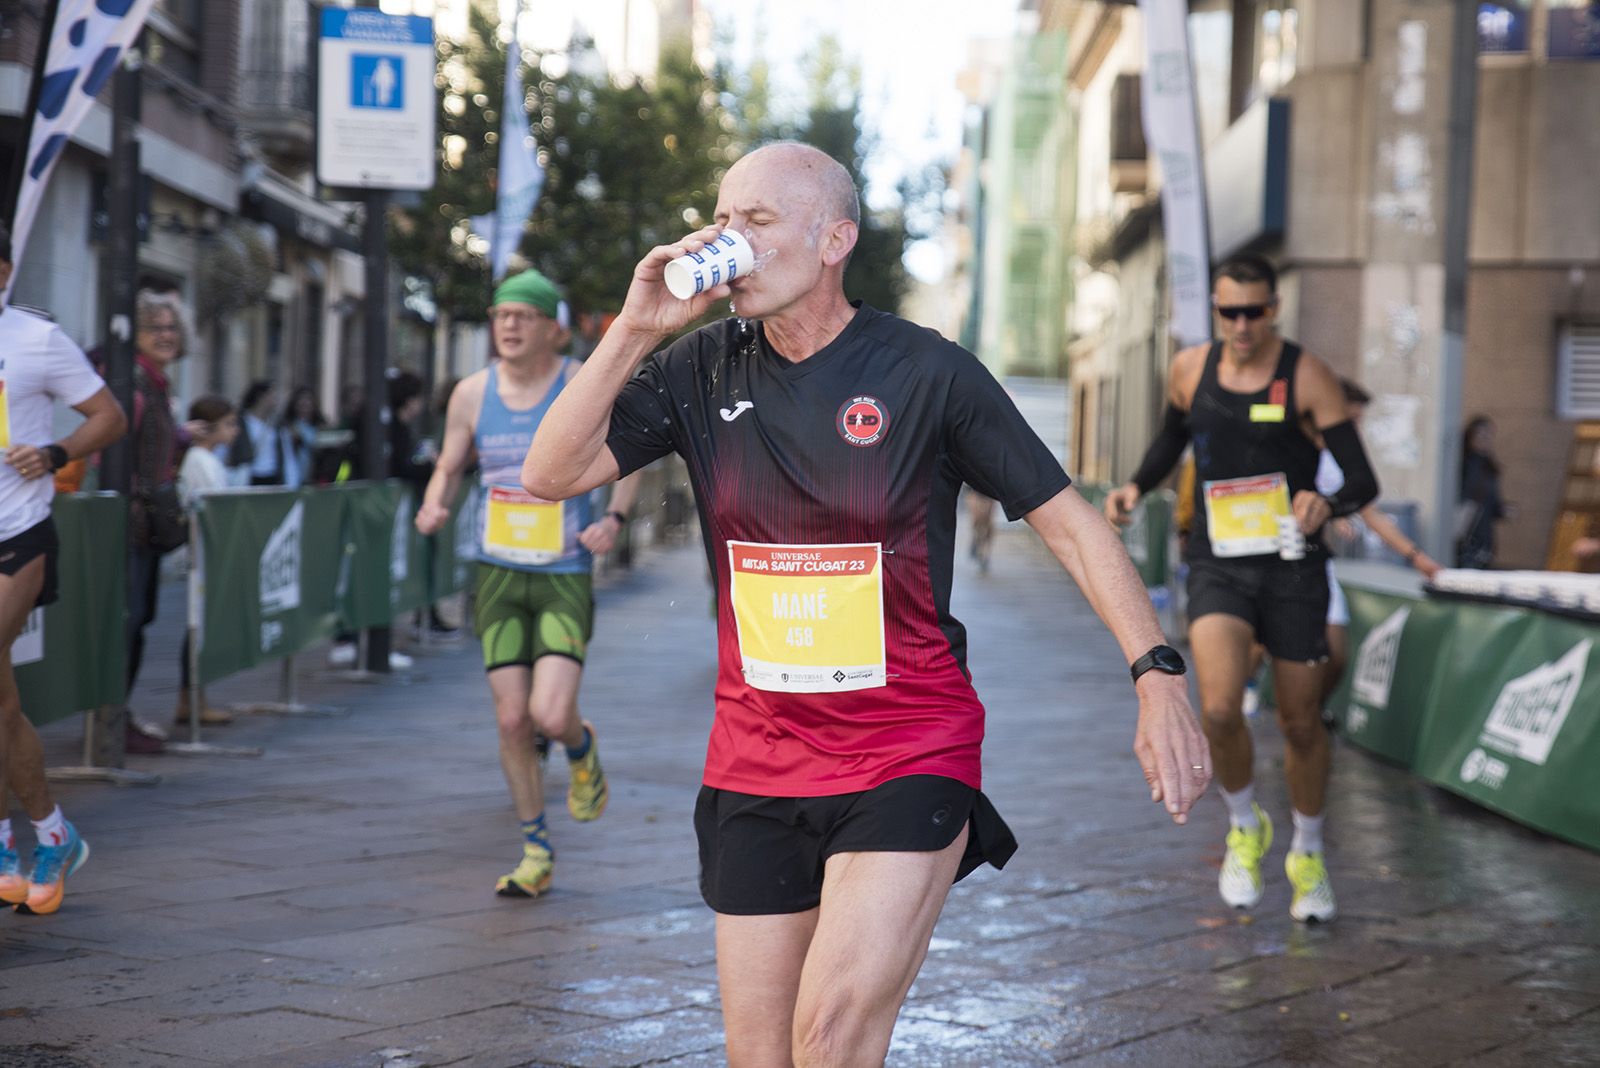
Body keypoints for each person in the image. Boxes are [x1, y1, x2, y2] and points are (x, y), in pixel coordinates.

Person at [521, 142, 1209, 1065]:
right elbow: (549, 472)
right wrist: (638, 328)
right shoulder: (699, 369)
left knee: (833, 1033)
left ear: (834, 238)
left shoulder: (927, 371)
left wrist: (1156, 672)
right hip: (756, 760)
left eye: (757, 222)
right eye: (723, 220)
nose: (729, 239)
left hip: (906, 748)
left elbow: (1074, 526)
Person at [1105, 254, 1380, 926]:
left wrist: (1327, 504)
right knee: (1221, 710)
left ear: (1273, 308)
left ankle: (1308, 854)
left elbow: (1362, 480)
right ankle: (1242, 826)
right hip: (1218, 562)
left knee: (1299, 721)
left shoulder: (1306, 374)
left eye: (1254, 311)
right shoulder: (1190, 370)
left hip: (1291, 566)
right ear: (1217, 311)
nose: (1242, 325)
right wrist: (1136, 486)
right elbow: (1172, 438)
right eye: (1229, 311)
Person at [416, 268, 641, 899]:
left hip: (563, 574)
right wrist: (436, 503)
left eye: (523, 316)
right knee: (513, 718)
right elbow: (449, 464)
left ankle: (579, 744)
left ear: (553, 329)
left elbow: (633, 451)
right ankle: (535, 847)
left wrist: (615, 519)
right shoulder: (469, 393)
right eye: (500, 315)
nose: (508, 325)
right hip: (497, 574)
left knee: (549, 712)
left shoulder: (579, 381)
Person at [0, 221, 128, 913]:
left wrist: (52, 455)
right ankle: (49, 834)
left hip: (19, 533)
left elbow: (108, 416)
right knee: (3, 704)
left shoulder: (35, 339)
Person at [125, 289, 203, 754]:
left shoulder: (156, 383)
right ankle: (112, 720)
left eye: (172, 327)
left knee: (140, 618)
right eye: (154, 326)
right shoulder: (132, 381)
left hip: (149, 524)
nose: (165, 335)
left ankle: (120, 716)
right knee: (128, 620)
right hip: (131, 523)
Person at [172, 395, 239, 729]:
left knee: (201, 626)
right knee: (197, 626)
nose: (235, 431)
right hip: (203, 554)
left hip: (210, 553)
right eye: (229, 423)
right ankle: (191, 698)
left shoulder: (205, 458)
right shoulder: (199, 459)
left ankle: (195, 697)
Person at [1455, 415, 1508, 569]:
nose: (1485, 439)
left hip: (1484, 529)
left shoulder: (1488, 465)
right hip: (1468, 527)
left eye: (1489, 435)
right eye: (1481, 434)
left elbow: (1492, 500)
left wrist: (1502, 509)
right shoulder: (1465, 463)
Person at [282, 386, 324, 488]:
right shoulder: (287, 426)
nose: (304, 404)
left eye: (308, 400)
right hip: (292, 478)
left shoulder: (321, 426)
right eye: (301, 401)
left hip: (316, 478)